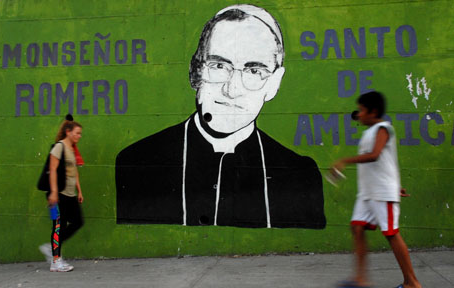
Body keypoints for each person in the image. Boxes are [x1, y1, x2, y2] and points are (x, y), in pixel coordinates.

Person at [116, 4, 325, 228]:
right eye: (218, 65)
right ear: (195, 71)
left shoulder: (299, 175)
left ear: (274, 84)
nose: (232, 89)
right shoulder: (138, 162)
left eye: (254, 71)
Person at [332, 91, 421, 288]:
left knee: (391, 234)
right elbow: (386, 165)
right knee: (357, 228)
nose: (359, 114)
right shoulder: (369, 132)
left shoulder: (383, 128)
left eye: (363, 110)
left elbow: (375, 156)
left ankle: (412, 282)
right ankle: (360, 279)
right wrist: (395, 186)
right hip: (367, 194)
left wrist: (344, 161)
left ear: (373, 112)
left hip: (381, 194)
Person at [39, 115, 84, 272]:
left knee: (78, 221)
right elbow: (52, 171)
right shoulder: (59, 147)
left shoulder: (72, 149)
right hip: (59, 194)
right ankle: (55, 261)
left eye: (80, 134)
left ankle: (51, 249)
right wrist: (53, 193)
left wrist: (79, 190)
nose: (79, 136)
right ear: (68, 131)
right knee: (58, 225)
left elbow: (74, 171)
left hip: (70, 194)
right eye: (77, 133)